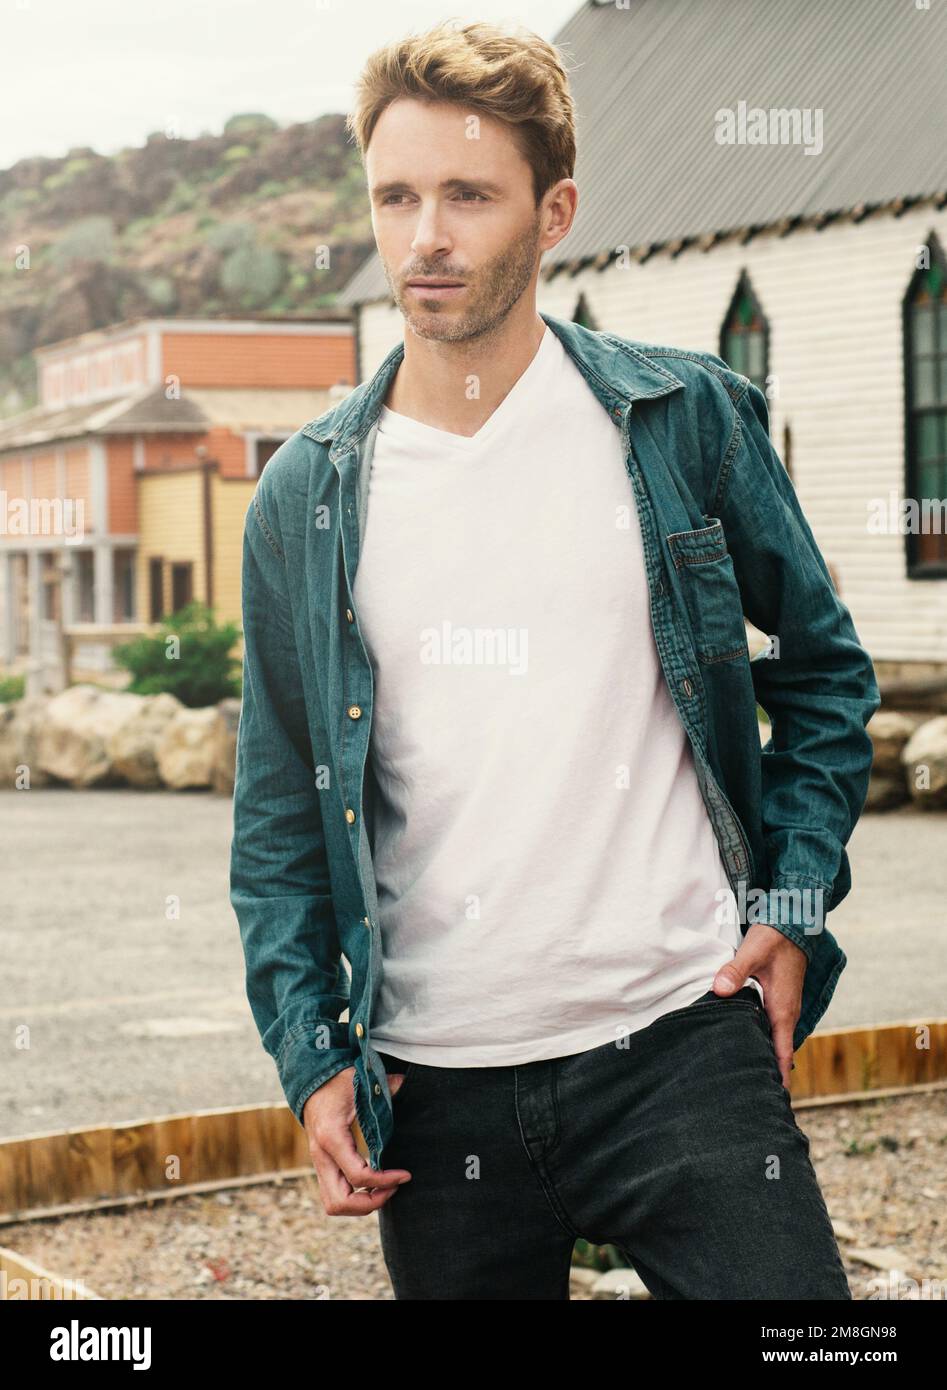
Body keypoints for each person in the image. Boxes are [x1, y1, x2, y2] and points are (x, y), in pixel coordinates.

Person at [230, 21, 880, 1300]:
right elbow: (276, 812)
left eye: (467, 195)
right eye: (396, 196)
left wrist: (791, 909)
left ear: (554, 210)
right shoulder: (303, 498)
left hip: (683, 1042)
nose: (425, 236)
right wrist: (311, 1056)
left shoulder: (679, 421)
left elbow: (822, 671)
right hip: (437, 1088)